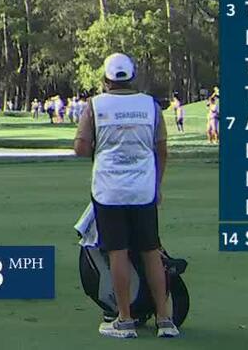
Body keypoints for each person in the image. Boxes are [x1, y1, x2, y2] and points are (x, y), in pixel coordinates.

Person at [75, 52, 176, 339]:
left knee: (117, 252)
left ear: (106, 79)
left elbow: (81, 147)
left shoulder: (95, 106)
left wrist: (97, 144)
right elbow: (162, 149)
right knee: (150, 251)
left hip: (109, 191)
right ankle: (165, 319)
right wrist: (156, 186)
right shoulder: (150, 105)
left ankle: (125, 319)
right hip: (143, 189)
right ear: (132, 76)